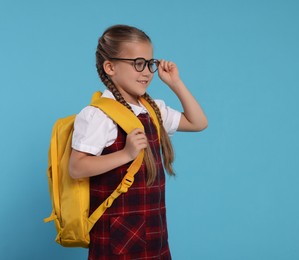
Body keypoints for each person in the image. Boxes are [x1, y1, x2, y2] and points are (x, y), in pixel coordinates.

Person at [68, 24, 208, 259]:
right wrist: (125, 154)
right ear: (110, 67)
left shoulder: (152, 109)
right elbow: (76, 167)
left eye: (150, 63)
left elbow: (198, 122)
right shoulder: (99, 115)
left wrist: (175, 83)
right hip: (118, 236)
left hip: (154, 229)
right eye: (137, 63)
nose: (146, 72)